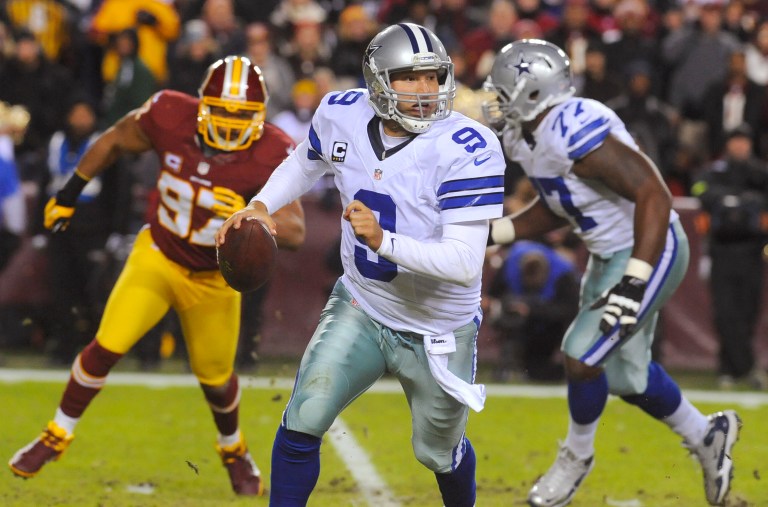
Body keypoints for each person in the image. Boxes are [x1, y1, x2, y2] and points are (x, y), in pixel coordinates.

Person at [216, 23, 505, 506]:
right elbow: (305, 161)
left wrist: (383, 239)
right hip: (363, 304)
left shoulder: (468, 147)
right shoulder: (340, 113)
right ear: (377, 81)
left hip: (439, 327)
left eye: (434, 77)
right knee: (305, 415)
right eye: (410, 78)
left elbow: (463, 262)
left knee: (436, 452)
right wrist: (261, 204)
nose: (426, 90)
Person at [8, 55, 306, 497]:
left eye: (239, 116)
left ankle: (233, 449)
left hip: (212, 277)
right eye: (220, 111)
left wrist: (255, 214)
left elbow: (297, 230)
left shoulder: (272, 149)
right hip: (159, 255)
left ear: (258, 119)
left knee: (216, 379)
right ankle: (56, 434)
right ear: (201, 105)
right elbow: (113, 139)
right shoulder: (170, 112)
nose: (227, 125)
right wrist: (69, 193)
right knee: (106, 345)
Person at [482, 39, 742, 507]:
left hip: (651, 245)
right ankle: (707, 435)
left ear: (536, 94)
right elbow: (561, 205)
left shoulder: (573, 128)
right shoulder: (525, 136)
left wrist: (634, 279)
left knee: (581, 355)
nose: (497, 102)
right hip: (610, 255)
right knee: (628, 380)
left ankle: (575, 459)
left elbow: (654, 195)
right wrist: (498, 231)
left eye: (504, 92)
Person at [691, 124, 768, 390]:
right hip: (721, 250)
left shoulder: (760, 172)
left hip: (753, 251)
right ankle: (744, 367)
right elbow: (698, 188)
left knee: (748, 311)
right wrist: (727, 200)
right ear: (727, 144)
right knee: (725, 312)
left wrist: (746, 202)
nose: (740, 146)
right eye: (735, 141)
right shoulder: (714, 172)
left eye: (744, 141)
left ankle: (732, 368)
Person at [486, 240, 580, 382]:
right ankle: (508, 366)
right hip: (522, 325)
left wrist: (532, 309)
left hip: (551, 326)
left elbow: (570, 310)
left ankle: (569, 368)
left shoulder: (564, 274)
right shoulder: (509, 266)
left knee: (542, 373)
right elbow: (493, 296)